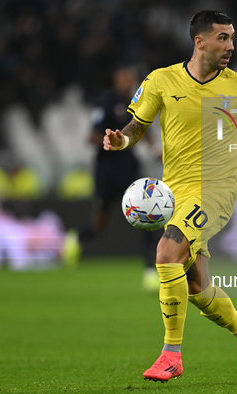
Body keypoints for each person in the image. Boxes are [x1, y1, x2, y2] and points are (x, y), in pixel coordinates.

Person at [103, 10, 237, 382]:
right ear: (200, 42)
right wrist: (122, 140)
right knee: (195, 287)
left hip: (216, 191)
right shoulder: (162, 80)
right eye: (223, 38)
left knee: (166, 253)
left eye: (231, 38)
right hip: (175, 193)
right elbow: (136, 125)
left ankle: (171, 356)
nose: (230, 45)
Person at [63, 66, 160, 291]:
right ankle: (77, 239)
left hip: (128, 167)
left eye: (129, 79)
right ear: (115, 81)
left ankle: (150, 271)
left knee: (148, 215)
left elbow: (142, 128)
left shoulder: (138, 104)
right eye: (122, 79)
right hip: (107, 168)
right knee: (99, 223)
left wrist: (156, 149)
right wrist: (113, 141)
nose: (126, 83)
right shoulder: (106, 103)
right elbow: (92, 136)